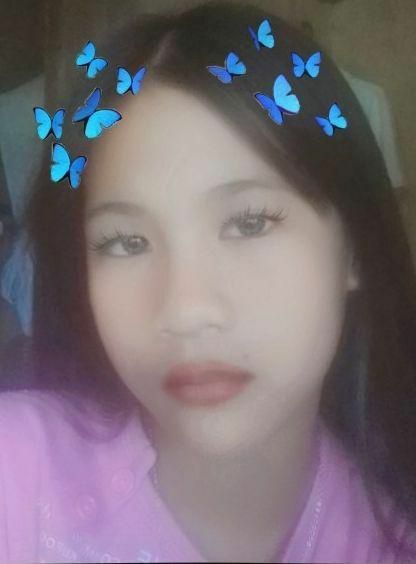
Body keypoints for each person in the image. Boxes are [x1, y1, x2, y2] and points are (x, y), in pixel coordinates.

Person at [1, 1, 416, 562]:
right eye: (126, 242)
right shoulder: (16, 476)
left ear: (354, 247)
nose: (186, 310)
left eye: (250, 223)